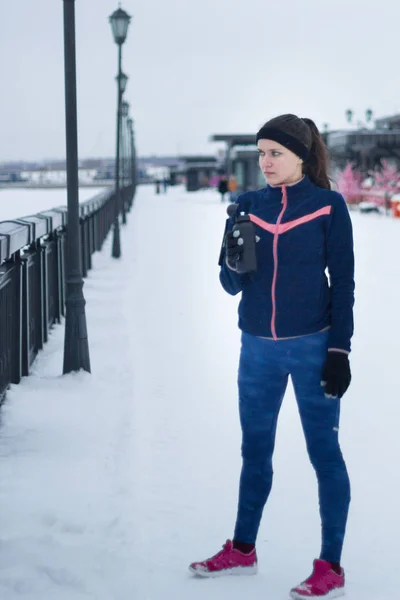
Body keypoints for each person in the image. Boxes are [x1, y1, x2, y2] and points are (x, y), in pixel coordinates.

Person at [189, 114, 355, 599]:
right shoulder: (247, 205)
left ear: (301, 156)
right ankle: (242, 550)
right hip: (257, 349)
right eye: (261, 152)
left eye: (275, 153)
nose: (265, 162)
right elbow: (229, 284)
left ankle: (331, 566)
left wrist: (339, 351)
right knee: (254, 451)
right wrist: (235, 253)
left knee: (324, 454)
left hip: (311, 347)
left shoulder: (328, 207)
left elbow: (343, 285)